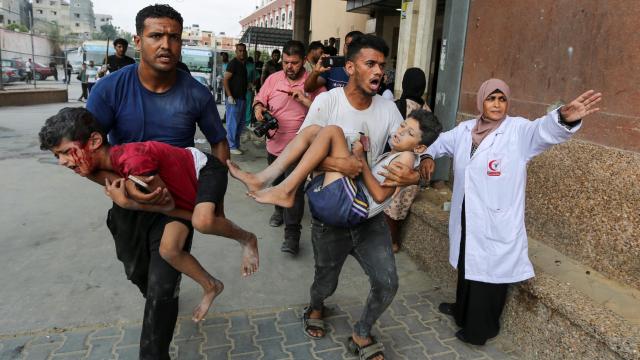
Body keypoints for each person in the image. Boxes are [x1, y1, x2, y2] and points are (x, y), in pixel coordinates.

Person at [229, 34, 408, 360]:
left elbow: (413, 145)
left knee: (387, 282)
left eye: (382, 65)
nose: (378, 71)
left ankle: (362, 332)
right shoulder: (327, 102)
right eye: (371, 63)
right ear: (351, 66)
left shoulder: (388, 110)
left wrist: (418, 168)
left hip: (369, 217)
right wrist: (343, 163)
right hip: (330, 214)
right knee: (325, 282)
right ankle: (315, 306)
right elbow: (303, 155)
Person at [86, 5, 231, 359]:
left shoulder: (196, 94)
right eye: (156, 36)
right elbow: (86, 154)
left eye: (174, 37)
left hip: (177, 204)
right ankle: (160, 288)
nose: (166, 44)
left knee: (161, 288)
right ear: (138, 41)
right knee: (139, 274)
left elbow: (219, 143)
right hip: (129, 205)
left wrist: (211, 198)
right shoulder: (108, 91)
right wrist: (121, 191)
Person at [425, 79, 601, 345]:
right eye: (491, 99)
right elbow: (439, 144)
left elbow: (543, 131)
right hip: (466, 213)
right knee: (466, 264)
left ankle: (478, 331)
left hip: (496, 219)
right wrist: (426, 156)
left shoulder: (518, 131)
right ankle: (462, 311)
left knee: (488, 278)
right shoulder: (465, 130)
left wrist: (563, 119)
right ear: (481, 101)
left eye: (502, 99)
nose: (497, 104)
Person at [39, 107, 258, 322]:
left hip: (204, 171)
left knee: (203, 221)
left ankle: (248, 239)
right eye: (57, 155)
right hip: (179, 193)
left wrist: (127, 203)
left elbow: (167, 205)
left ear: (94, 141)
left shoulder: (134, 161)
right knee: (169, 250)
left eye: (66, 152)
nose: (63, 162)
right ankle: (211, 285)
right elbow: (173, 207)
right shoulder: (93, 169)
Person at [244, 110, 441, 230]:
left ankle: (285, 190)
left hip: (354, 206)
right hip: (351, 200)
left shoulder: (406, 158)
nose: (400, 133)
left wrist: (362, 160)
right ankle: (263, 178)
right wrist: (359, 155)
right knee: (314, 130)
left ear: (419, 148)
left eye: (409, 133)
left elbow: (381, 195)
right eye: (402, 126)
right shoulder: (397, 153)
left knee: (332, 131)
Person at [250, 40, 323, 254]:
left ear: (304, 61)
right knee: (277, 181)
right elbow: (259, 97)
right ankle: (278, 211)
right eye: (286, 62)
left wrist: (304, 101)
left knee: (295, 192)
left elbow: (325, 114)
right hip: (274, 144)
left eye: (295, 63)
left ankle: (292, 235)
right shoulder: (273, 79)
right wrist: (258, 107)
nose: (289, 66)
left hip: (299, 150)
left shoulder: (314, 84)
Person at [385, 67, 433, 252]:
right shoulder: (427, 109)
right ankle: (393, 240)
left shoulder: (400, 105)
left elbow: (392, 136)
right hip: (415, 164)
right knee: (400, 204)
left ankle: (392, 242)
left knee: (390, 203)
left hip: (398, 161)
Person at [223, 43, 249, 155]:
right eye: (240, 50)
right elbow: (225, 80)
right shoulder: (233, 63)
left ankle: (236, 145)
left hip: (241, 98)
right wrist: (229, 96)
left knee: (240, 124)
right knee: (232, 123)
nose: (242, 52)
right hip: (234, 99)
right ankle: (231, 145)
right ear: (236, 51)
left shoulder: (243, 65)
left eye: (244, 50)